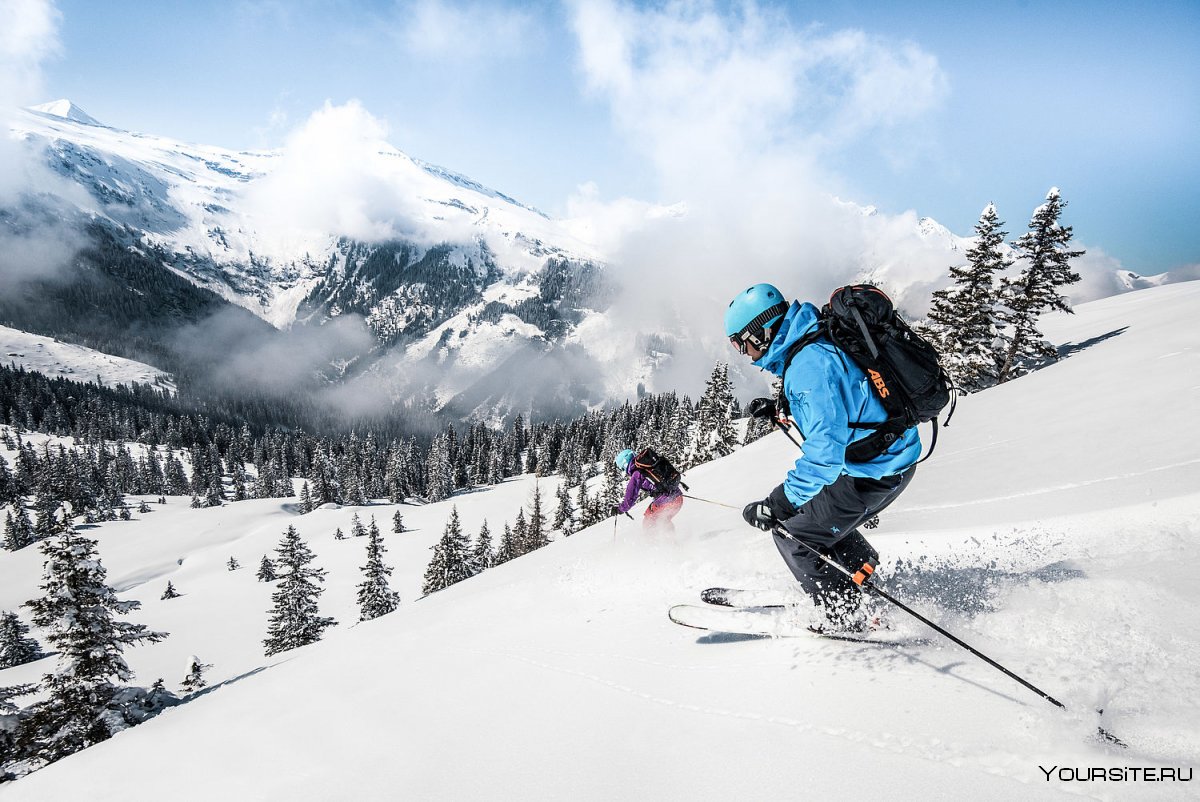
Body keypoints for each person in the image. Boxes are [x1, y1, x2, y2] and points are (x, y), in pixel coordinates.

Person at [724, 283, 921, 632]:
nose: (746, 354)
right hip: (890, 458)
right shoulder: (815, 337)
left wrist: (777, 503)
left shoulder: (807, 367)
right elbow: (845, 393)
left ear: (762, 332)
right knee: (815, 516)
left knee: (792, 534)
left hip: (872, 473)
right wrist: (786, 405)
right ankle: (865, 578)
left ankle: (845, 615)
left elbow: (825, 457)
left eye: (742, 343)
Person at [612, 449, 684, 533]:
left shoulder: (637, 474)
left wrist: (620, 509)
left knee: (648, 523)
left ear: (624, 464)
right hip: (678, 498)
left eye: (622, 468)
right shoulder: (649, 465)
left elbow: (630, 499)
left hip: (667, 503)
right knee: (663, 521)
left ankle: (654, 544)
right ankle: (672, 541)